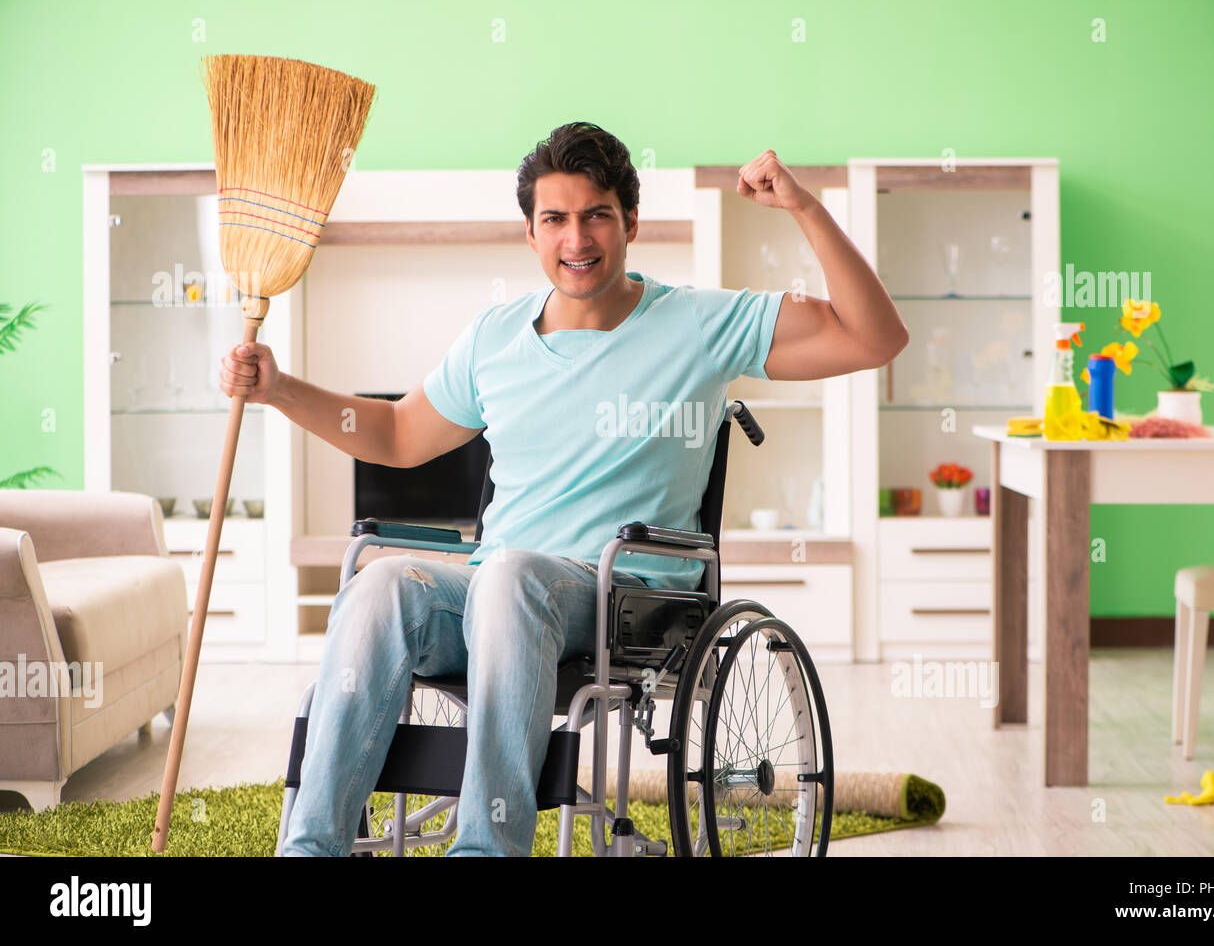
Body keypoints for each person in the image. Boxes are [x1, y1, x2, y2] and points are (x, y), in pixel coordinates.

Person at [220, 121, 908, 856]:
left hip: (627, 602)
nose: (575, 239)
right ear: (531, 232)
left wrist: (805, 207)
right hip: (495, 597)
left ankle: (489, 847)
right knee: (382, 579)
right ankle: (309, 847)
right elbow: (392, 434)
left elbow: (874, 336)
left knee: (511, 574)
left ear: (630, 222)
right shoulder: (496, 337)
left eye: (595, 216)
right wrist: (279, 387)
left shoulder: (701, 323)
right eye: (555, 219)